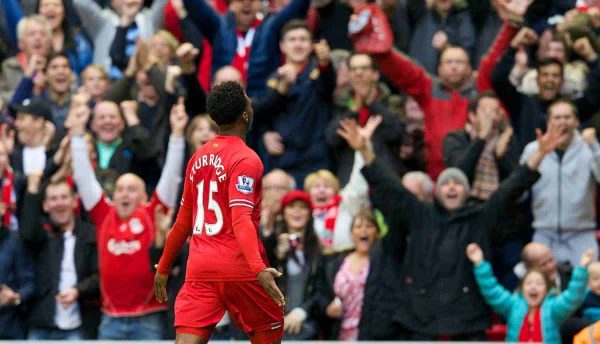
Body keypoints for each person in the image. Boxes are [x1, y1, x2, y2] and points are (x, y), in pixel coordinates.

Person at [336, 113, 566, 339]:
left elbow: (511, 188)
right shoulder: (420, 214)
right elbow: (389, 186)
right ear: (437, 191)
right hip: (421, 316)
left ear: (467, 192)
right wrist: (364, 150)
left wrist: (541, 153)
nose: (452, 187)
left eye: (458, 183)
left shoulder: (480, 216)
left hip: (467, 317)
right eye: (446, 184)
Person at [155, 81, 285, 343]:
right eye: (248, 100)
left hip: (200, 267)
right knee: (268, 335)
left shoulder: (198, 157)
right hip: (240, 267)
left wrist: (163, 267)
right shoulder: (247, 159)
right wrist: (259, 268)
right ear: (246, 115)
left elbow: (183, 222)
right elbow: (240, 218)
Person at [69, 98, 188, 340]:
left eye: (132, 189)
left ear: (145, 195)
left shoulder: (153, 213)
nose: (124, 194)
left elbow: (172, 176)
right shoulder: (104, 214)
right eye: (120, 189)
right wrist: (77, 134)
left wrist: (177, 134)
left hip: (149, 318)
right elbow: (83, 177)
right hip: (110, 319)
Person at [520, 99, 600, 267]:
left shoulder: (589, 148)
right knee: (538, 286)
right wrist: (540, 154)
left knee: (588, 286)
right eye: (557, 117)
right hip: (544, 232)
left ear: (576, 121)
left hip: (581, 232)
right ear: (548, 122)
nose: (562, 122)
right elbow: (519, 192)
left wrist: (595, 147)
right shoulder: (533, 149)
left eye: (567, 117)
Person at [20, 173, 100, 340]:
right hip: (41, 324)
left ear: (74, 201)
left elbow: (100, 274)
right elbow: (28, 230)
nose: (59, 203)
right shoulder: (41, 235)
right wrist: (32, 189)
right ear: (45, 205)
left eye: (64, 197)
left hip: (79, 325)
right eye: (53, 198)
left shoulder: (91, 234)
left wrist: (78, 290)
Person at [466, 243, 592, 343]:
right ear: (522, 287)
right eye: (529, 283)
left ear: (546, 289)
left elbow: (573, 296)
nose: (533, 287)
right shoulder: (512, 305)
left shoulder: (553, 308)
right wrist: (480, 263)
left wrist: (582, 269)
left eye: (538, 283)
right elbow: (492, 291)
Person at [315, 210, 380, 340]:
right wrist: (327, 308)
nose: (364, 231)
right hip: (338, 332)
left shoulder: (384, 262)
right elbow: (321, 292)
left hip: (371, 333)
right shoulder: (335, 262)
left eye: (369, 226)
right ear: (351, 234)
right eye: (358, 227)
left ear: (377, 233)